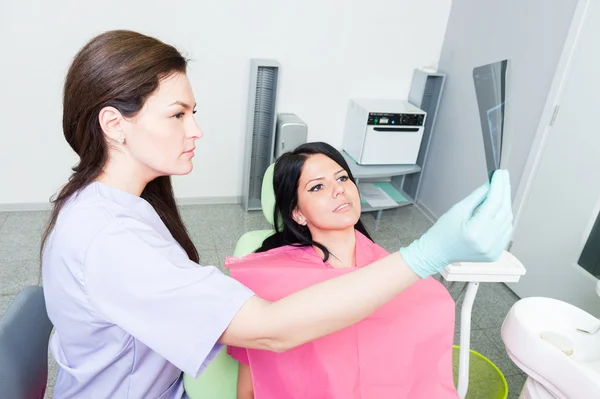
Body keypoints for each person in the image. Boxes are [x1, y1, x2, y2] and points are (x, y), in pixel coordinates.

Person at [40, 29, 513, 399]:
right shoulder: (109, 240)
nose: (196, 130)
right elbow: (268, 332)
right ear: (113, 124)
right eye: (178, 114)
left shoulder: (115, 204)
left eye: (193, 112)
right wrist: (427, 254)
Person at [227, 142, 458, 399]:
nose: (338, 190)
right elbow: (249, 388)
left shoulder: (409, 283)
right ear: (298, 213)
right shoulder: (269, 285)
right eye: (317, 186)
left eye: (342, 178)